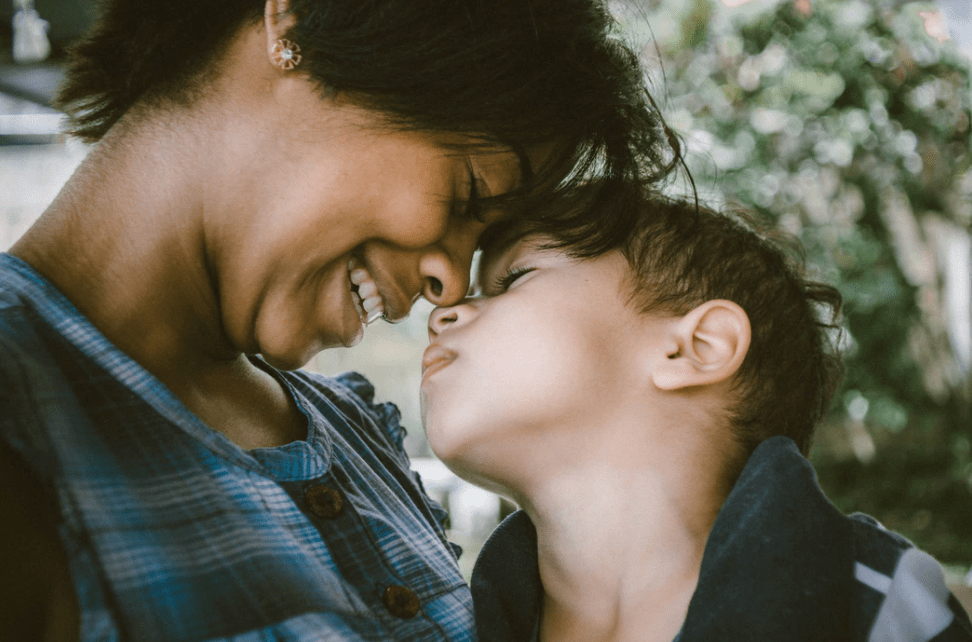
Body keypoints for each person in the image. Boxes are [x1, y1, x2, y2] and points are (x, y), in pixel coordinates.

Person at [0, 0, 680, 639]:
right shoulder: (22, 402)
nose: (449, 284)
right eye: (469, 191)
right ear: (295, 26)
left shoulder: (357, 441)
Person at [421, 192, 972, 642]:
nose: (443, 312)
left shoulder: (881, 608)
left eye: (514, 278)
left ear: (696, 347)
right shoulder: (432, 623)